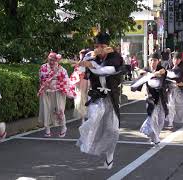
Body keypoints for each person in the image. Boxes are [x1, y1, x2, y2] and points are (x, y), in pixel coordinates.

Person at [76, 32, 124, 169]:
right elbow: (80, 69)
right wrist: (87, 58)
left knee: (112, 129)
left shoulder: (115, 57)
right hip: (96, 96)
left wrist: (91, 65)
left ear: (108, 46)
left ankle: (109, 159)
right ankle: (87, 141)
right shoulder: (92, 56)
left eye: (102, 46)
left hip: (111, 97)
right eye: (97, 46)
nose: (100, 49)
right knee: (95, 117)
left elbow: (105, 71)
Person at [131, 53, 168, 144]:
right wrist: (142, 73)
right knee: (152, 116)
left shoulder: (161, 69)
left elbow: (161, 73)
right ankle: (151, 134)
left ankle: (155, 136)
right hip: (151, 98)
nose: (152, 62)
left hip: (161, 97)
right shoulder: (146, 69)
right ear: (148, 61)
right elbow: (140, 76)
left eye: (155, 60)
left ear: (158, 61)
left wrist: (150, 74)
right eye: (151, 60)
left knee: (161, 118)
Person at [38, 52, 76, 137]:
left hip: (58, 92)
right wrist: (47, 84)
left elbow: (66, 81)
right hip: (46, 92)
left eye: (53, 59)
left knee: (59, 110)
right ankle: (47, 129)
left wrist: (58, 84)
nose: (51, 61)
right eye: (50, 59)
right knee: (46, 110)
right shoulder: (43, 67)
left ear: (57, 60)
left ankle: (63, 127)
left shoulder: (61, 69)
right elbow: (41, 78)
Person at [165, 52, 183, 129]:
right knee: (170, 106)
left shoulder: (181, 68)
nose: (176, 61)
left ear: (180, 60)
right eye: (174, 59)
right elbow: (165, 79)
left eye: (178, 59)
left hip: (179, 90)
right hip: (170, 90)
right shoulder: (168, 67)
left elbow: (181, 81)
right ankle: (170, 123)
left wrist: (180, 84)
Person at [70, 50, 93, 123]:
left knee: (85, 97)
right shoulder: (78, 63)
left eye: (82, 54)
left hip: (85, 81)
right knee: (80, 98)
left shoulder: (87, 63)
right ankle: (83, 116)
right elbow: (75, 72)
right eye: (80, 54)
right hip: (79, 81)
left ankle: (86, 115)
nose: (81, 56)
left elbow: (90, 73)